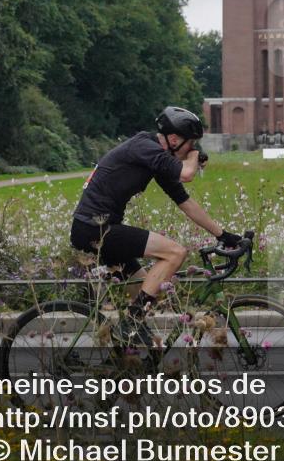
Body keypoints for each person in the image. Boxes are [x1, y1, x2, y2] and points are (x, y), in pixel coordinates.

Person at [70, 106, 243, 311]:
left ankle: (130, 335)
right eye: (191, 143)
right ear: (174, 140)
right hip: (94, 228)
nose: (192, 148)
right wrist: (195, 155)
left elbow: (184, 201)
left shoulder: (154, 158)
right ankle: (133, 322)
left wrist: (223, 235)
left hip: (98, 228)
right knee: (175, 253)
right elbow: (187, 174)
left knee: (149, 292)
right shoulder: (145, 148)